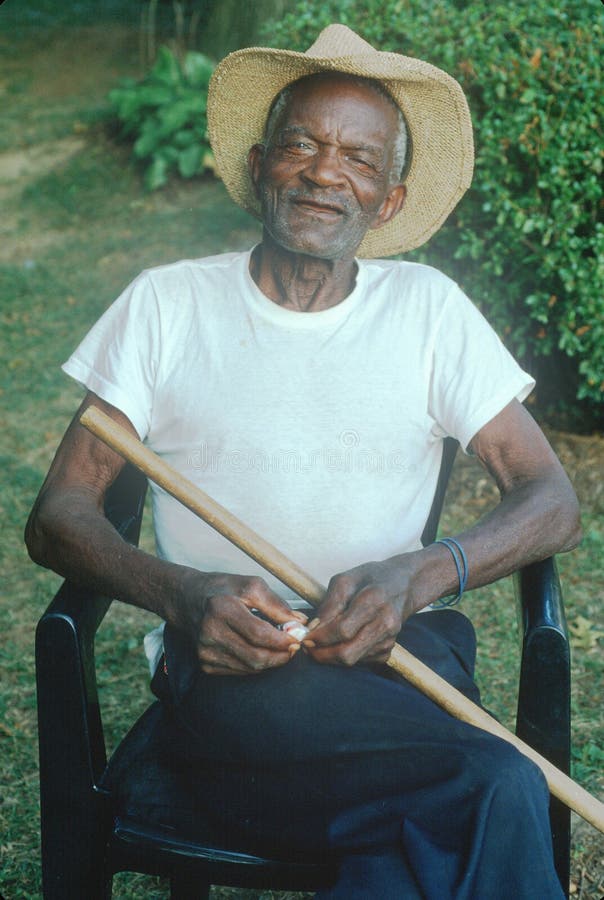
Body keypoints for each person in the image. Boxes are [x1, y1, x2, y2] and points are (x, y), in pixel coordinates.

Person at [26, 24, 581, 899]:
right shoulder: (166, 307)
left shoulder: (430, 311)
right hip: (237, 668)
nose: (326, 174)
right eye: (302, 146)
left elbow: (553, 499)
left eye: (359, 159)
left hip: (402, 652)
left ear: (388, 201)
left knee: (422, 834)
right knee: (494, 782)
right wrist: (181, 594)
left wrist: (423, 572)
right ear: (259, 166)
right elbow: (57, 515)